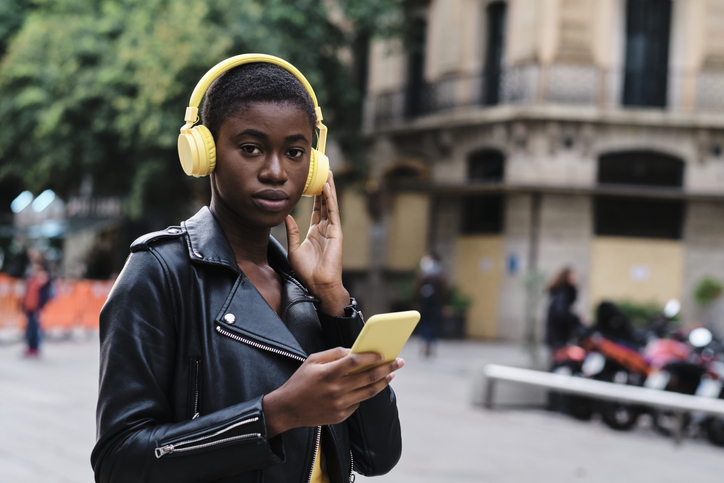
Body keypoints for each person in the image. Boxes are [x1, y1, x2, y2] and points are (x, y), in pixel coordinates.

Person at [91, 55, 403, 483]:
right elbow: (119, 462)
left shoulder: (307, 289)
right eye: (251, 148)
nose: (275, 172)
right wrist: (276, 414)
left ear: (313, 168)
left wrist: (334, 300)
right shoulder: (160, 272)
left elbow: (377, 456)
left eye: (295, 152)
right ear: (203, 152)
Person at [414, 252, 447, 358]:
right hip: (426, 305)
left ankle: (429, 346)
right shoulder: (424, 276)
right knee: (426, 325)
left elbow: (443, 291)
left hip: (433, 305)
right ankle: (425, 345)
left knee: (432, 326)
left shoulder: (438, 276)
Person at [544, 267, 583, 351]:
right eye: (573, 275)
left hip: (557, 336)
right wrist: (576, 319)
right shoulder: (563, 293)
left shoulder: (562, 292)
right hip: (558, 337)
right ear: (567, 277)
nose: (576, 278)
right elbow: (561, 312)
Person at [20, 249, 50, 358]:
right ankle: (30, 347)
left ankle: (35, 347)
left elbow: (44, 291)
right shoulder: (30, 279)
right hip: (29, 306)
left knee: (35, 327)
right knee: (29, 328)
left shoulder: (41, 279)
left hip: (36, 307)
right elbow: (27, 293)